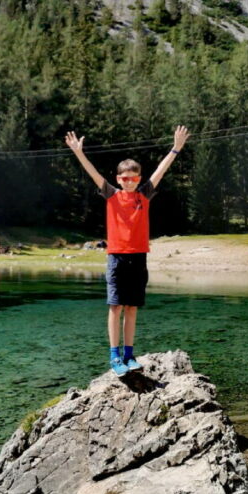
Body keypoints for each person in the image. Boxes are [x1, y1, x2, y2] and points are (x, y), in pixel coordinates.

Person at [65, 125, 190, 375]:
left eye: (134, 178)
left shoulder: (143, 196)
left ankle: (129, 355)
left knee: (131, 308)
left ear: (139, 179)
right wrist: (78, 152)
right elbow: (93, 173)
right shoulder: (111, 195)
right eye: (124, 178)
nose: (129, 182)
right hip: (117, 258)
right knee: (115, 307)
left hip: (138, 258)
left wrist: (175, 148)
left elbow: (160, 171)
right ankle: (114, 356)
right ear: (118, 179)